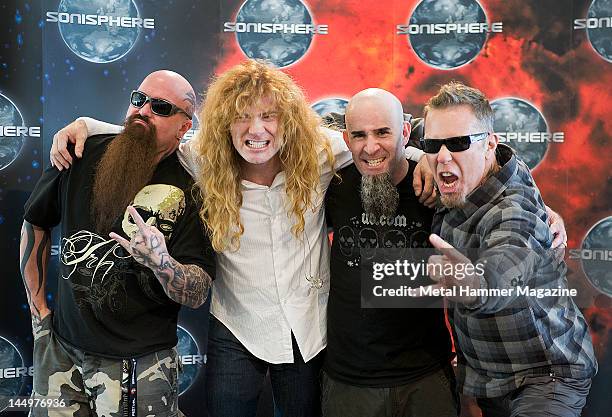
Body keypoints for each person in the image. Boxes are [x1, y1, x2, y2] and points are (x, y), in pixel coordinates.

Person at [48, 60, 436, 417]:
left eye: (269, 116)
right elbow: (151, 132)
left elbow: (379, 145)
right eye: (242, 118)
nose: (256, 130)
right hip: (236, 327)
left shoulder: (321, 151)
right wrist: (88, 125)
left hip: (307, 328)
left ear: (287, 120)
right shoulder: (202, 157)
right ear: (223, 124)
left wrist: (424, 158)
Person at [20, 70, 216, 417]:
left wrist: (161, 262)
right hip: (62, 352)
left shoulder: (193, 188)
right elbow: (35, 222)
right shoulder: (80, 150)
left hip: (142, 366)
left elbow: (198, 292)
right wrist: (39, 316)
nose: (143, 111)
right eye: (139, 100)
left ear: (184, 127)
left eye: (160, 107)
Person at [418, 81, 597, 417]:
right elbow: (396, 131)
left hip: (548, 375)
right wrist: (418, 157)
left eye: (457, 143)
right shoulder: (469, 166)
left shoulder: (514, 210)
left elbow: (505, 264)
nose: (443, 155)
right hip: (490, 377)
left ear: (490, 145)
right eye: (434, 144)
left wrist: (474, 285)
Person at [322, 88, 458, 416]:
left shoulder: (436, 186)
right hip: (348, 381)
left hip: (426, 375)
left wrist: (546, 213)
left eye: (383, 132)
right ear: (346, 138)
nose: (371, 147)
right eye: (359, 135)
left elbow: (491, 170)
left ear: (406, 132)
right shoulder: (330, 184)